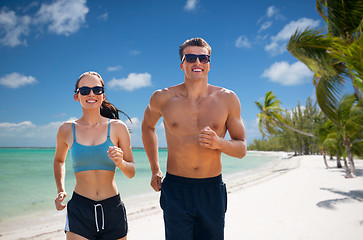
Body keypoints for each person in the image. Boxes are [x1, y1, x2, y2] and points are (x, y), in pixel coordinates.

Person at [141, 37, 247, 239]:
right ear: (182, 64)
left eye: (203, 58)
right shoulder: (162, 98)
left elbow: (241, 149)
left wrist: (219, 143)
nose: (197, 63)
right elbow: (147, 127)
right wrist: (155, 168)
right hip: (176, 188)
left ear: (209, 64)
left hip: (211, 189)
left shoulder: (228, 99)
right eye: (190, 58)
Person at [53, 71, 135, 240]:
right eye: (85, 90)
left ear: (102, 95)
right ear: (77, 96)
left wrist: (120, 163)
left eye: (97, 90)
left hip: (112, 209)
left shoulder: (118, 128)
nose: (91, 94)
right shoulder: (66, 129)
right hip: (80, 209)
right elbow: (59, 160)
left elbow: (131, 172)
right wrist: (61, 190)